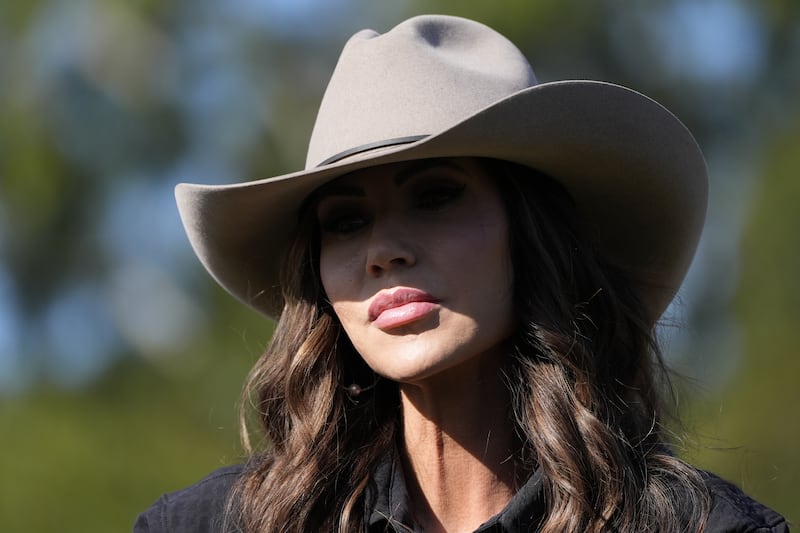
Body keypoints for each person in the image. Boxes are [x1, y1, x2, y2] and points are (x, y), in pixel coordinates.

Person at [134, 14, 789, 533]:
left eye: (437, 195)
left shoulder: (698, 526)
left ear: (531, 234)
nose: (383, 250)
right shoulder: (215, 525)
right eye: (345, 220)